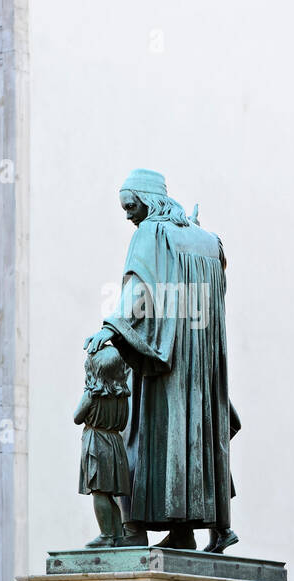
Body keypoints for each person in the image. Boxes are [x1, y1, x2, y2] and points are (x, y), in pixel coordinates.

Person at [83, 169, 238, 553]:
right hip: (202, 364)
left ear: (149, 201)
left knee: (142, 438)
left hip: (163, 361)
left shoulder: (151, 234)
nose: (128, 216)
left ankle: (132, 530)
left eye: (131, 205)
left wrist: (114, 328)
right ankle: (184, 531)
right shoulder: (209, 241)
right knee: (192, 441)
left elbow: (142, 288)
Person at [75, 345, 131, 546]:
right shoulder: (123, 396)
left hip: (96, 443)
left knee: (99, 492)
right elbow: (123, 423)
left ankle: (106, 535)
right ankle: (117, 535)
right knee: (110, 494)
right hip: (115, 444)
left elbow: (76, 417)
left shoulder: (92, 395)